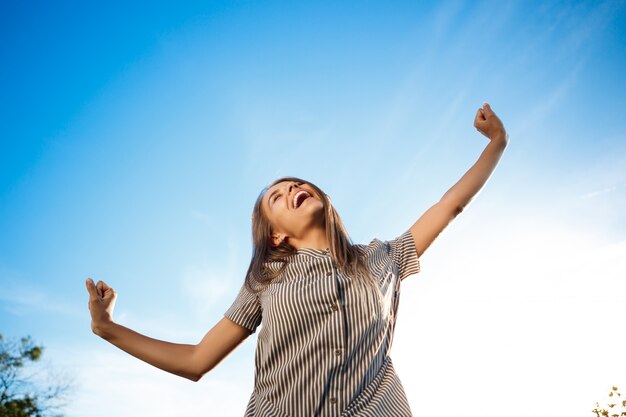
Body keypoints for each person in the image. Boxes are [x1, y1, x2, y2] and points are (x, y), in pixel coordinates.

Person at [85, 102, 508, 416]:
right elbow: (196, 361)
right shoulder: (267, 281)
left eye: (297, 183)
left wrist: (496, 145)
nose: (292, 189)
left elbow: (449, 205)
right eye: (277, 195)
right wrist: (107, 328)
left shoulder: (383, 258)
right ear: (276, 233)